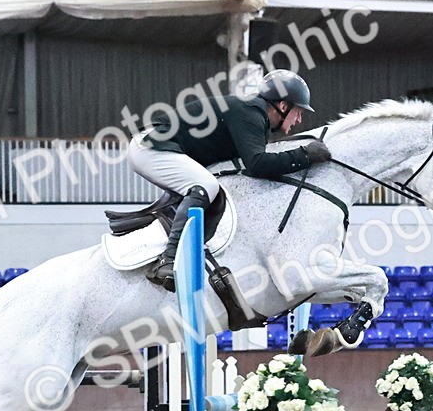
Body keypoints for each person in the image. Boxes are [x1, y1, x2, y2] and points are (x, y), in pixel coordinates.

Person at [126, 69, 332, 291]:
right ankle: (169, 259)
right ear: (283, 106)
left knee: (212, 187)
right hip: (151, 146)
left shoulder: (254, 114)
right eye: (299, 112)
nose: (299, 119)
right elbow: (258, 164)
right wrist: (304, 156)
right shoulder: (251, 112)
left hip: (160, 147)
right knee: (206, 186)